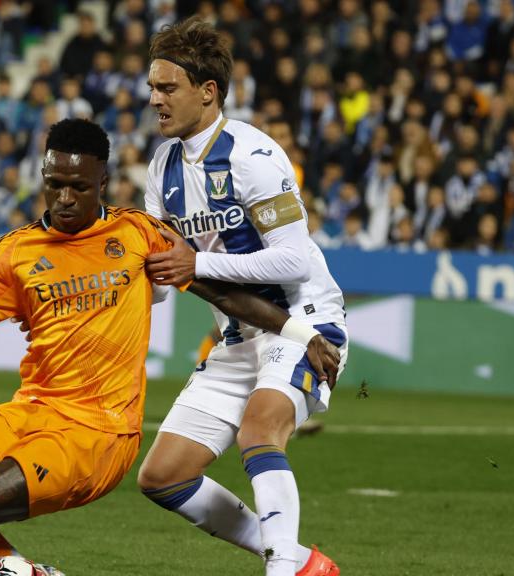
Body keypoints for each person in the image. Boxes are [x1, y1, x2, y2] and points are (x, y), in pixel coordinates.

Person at [0, 119, 340, 576]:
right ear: (43, 177)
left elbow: (220, 292)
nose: (66, 198)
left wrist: (301, 334)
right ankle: (18, 572)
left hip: (96, 435)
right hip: (30, 413)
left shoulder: (139, 233)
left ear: (104, 184)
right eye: (55, 185)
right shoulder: (14, 252)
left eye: (80, 187)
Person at [138, 17, 348, 576]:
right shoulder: (162, 167)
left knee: (260, 431)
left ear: (208, 92)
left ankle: (280, 570)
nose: (154, 99)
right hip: (238, 333)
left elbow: (294, 258)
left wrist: (196, 261)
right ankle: (300, 561)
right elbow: (163, 279)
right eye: (152, 88)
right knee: (162, 475)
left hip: (302, 320)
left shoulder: (255, 157)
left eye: (167, 88)